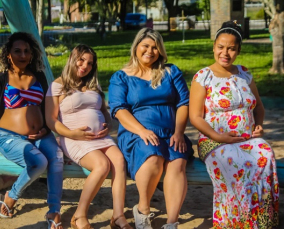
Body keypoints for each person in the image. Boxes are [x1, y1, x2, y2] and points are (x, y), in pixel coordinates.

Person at [189, 21, 279, 228]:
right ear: (214, 47)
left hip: (247, 138)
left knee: (265, 154)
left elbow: (259, 108)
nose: (225, 53)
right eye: (221, 47)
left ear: (238, 50)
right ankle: (234, 222)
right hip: (214, 141)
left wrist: (258, 126)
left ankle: (259, 221)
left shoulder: (244, 74)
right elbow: (195, 117)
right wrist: (218, 137)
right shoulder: (203, 77)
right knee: (236, 162)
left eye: (231, 48)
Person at [0, 32, 64, 229]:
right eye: (17, 51)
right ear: (8, 55)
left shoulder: (39, 77)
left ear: (32, 55)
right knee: (39, 162)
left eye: (26, 51)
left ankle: (54, 211)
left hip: (40, 135)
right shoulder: (0, 80)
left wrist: (46, 130)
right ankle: (11, 196)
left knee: (57, 158)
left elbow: (47, 109)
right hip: (9, 137)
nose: (22, 55)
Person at [108, 28, 194, 229]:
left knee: (178, 160)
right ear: (136, 47)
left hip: (171, 133)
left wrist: (179, 132)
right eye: (146, 46)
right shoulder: (121, 77)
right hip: (136, 133)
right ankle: (143, 210)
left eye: (155, 47)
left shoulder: (171, 71)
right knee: (153, 155)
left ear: (161, 51)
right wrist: (142, 131)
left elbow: (184, 103)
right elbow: (119, 110)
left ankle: (172, 223)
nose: (150, 51)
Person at [45, 44, 132, 229]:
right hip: (73, 138)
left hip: (101, 138)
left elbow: (104, 112)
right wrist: (72, 133)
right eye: (81, 60)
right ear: (72, 58)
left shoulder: (93, 84)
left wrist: (107, 125)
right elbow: (51, 120)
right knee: (102, 165)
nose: (85, 65)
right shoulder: (58, 85)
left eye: (90, 63)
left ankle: (118, 216)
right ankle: (80, 215)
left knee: (119, 160)